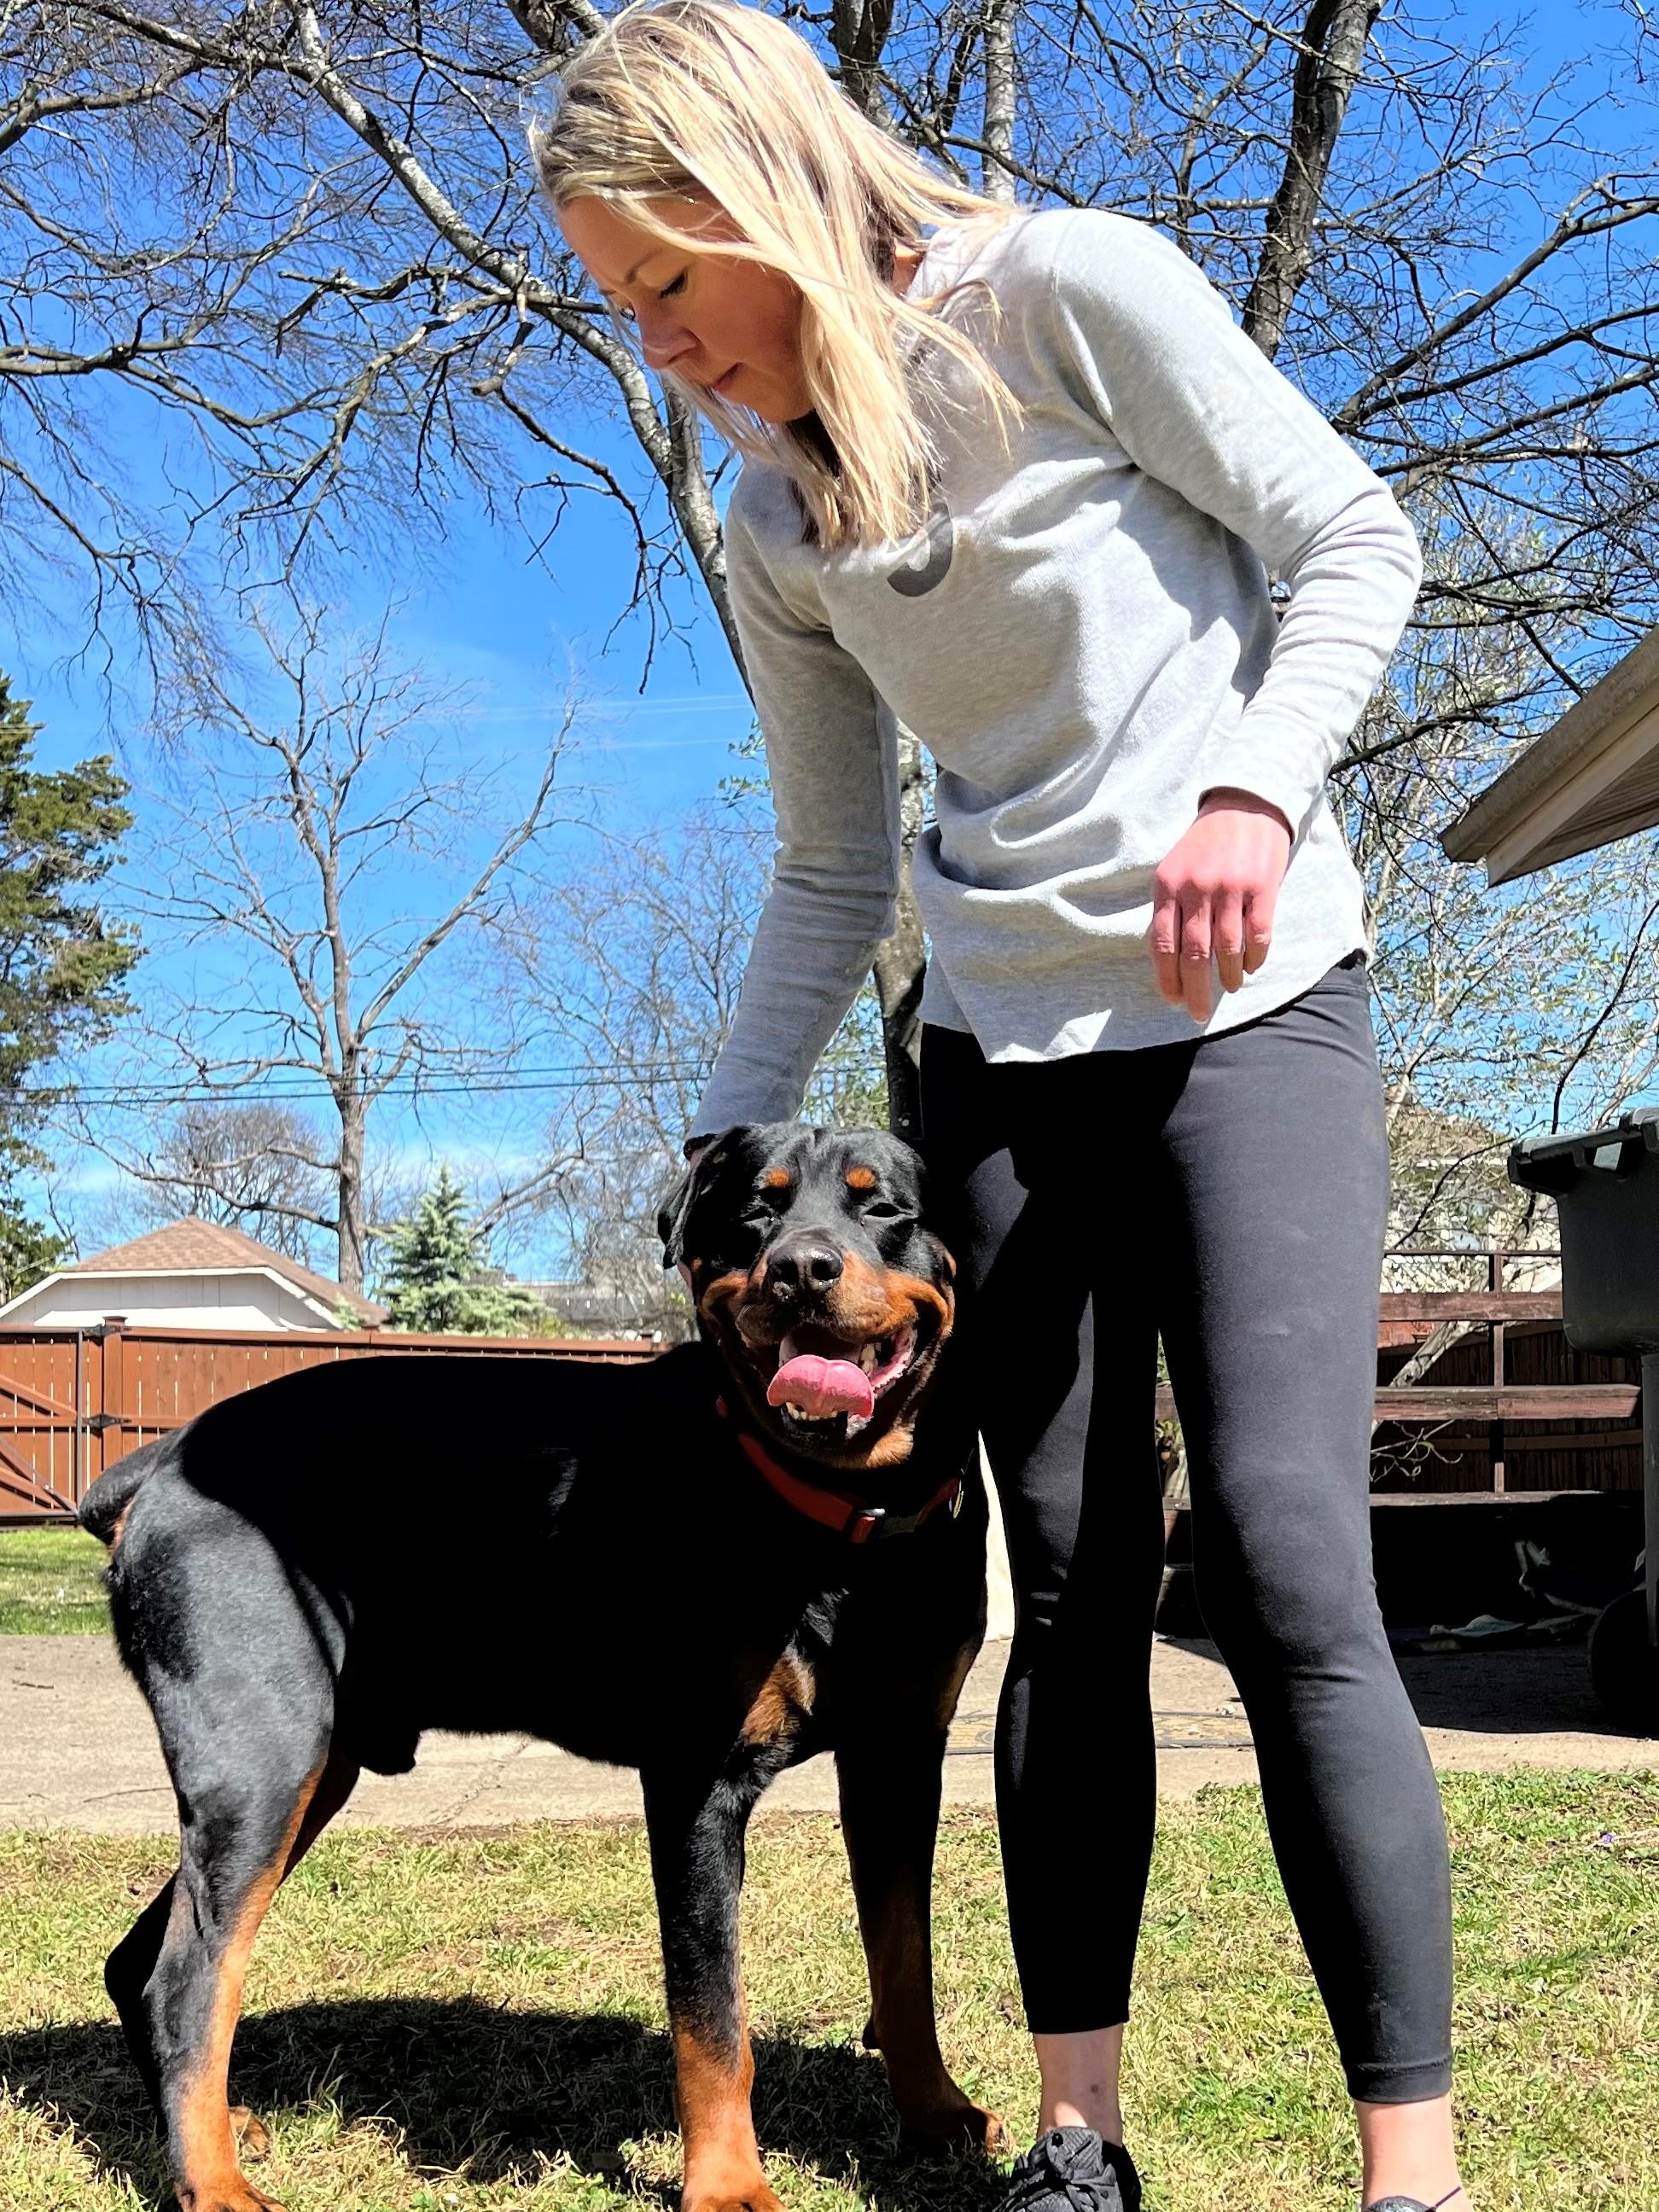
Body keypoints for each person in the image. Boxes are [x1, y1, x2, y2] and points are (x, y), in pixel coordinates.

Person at [533, 6, 1468, 2210]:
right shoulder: (774, 512)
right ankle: (1078, 2140)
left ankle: (1412, 2179)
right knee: (1061, 1582)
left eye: (667, 280)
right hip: (995, 1066)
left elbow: (1356, 538)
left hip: (1249, 1013)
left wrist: (1254, 788)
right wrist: (725, 1137)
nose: (654, 339)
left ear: (762, 192)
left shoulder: (1070, 296)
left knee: (1285, 1552)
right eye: (616, 306)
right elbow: (832, 864)